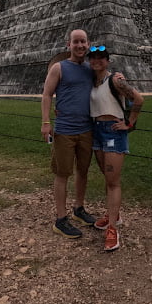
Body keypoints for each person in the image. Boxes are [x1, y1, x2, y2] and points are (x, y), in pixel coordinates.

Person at [41, 29, 98, 239]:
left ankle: (79, 209)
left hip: (86, 129)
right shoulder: (59, 68)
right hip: (65, 129)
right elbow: (47, 95)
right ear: (69, 45)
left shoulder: (90, 69)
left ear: (88, 44)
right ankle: (60, 218)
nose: (80, 45)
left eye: (83, 42)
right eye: (76, 42)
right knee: (62, 174)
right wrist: (46, 122)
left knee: (83, 171)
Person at [88, 45, 144, 252]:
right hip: (96, 131)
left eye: (101, 58)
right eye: (93, 58)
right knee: (107, 176)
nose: (96, 61)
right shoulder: (92, 81)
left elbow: (138, 99)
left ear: (108, 60)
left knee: (113, 182)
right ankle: (114, 214)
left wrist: (129, 123)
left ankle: (113, 228)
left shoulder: (116, 80)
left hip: (112, 131)